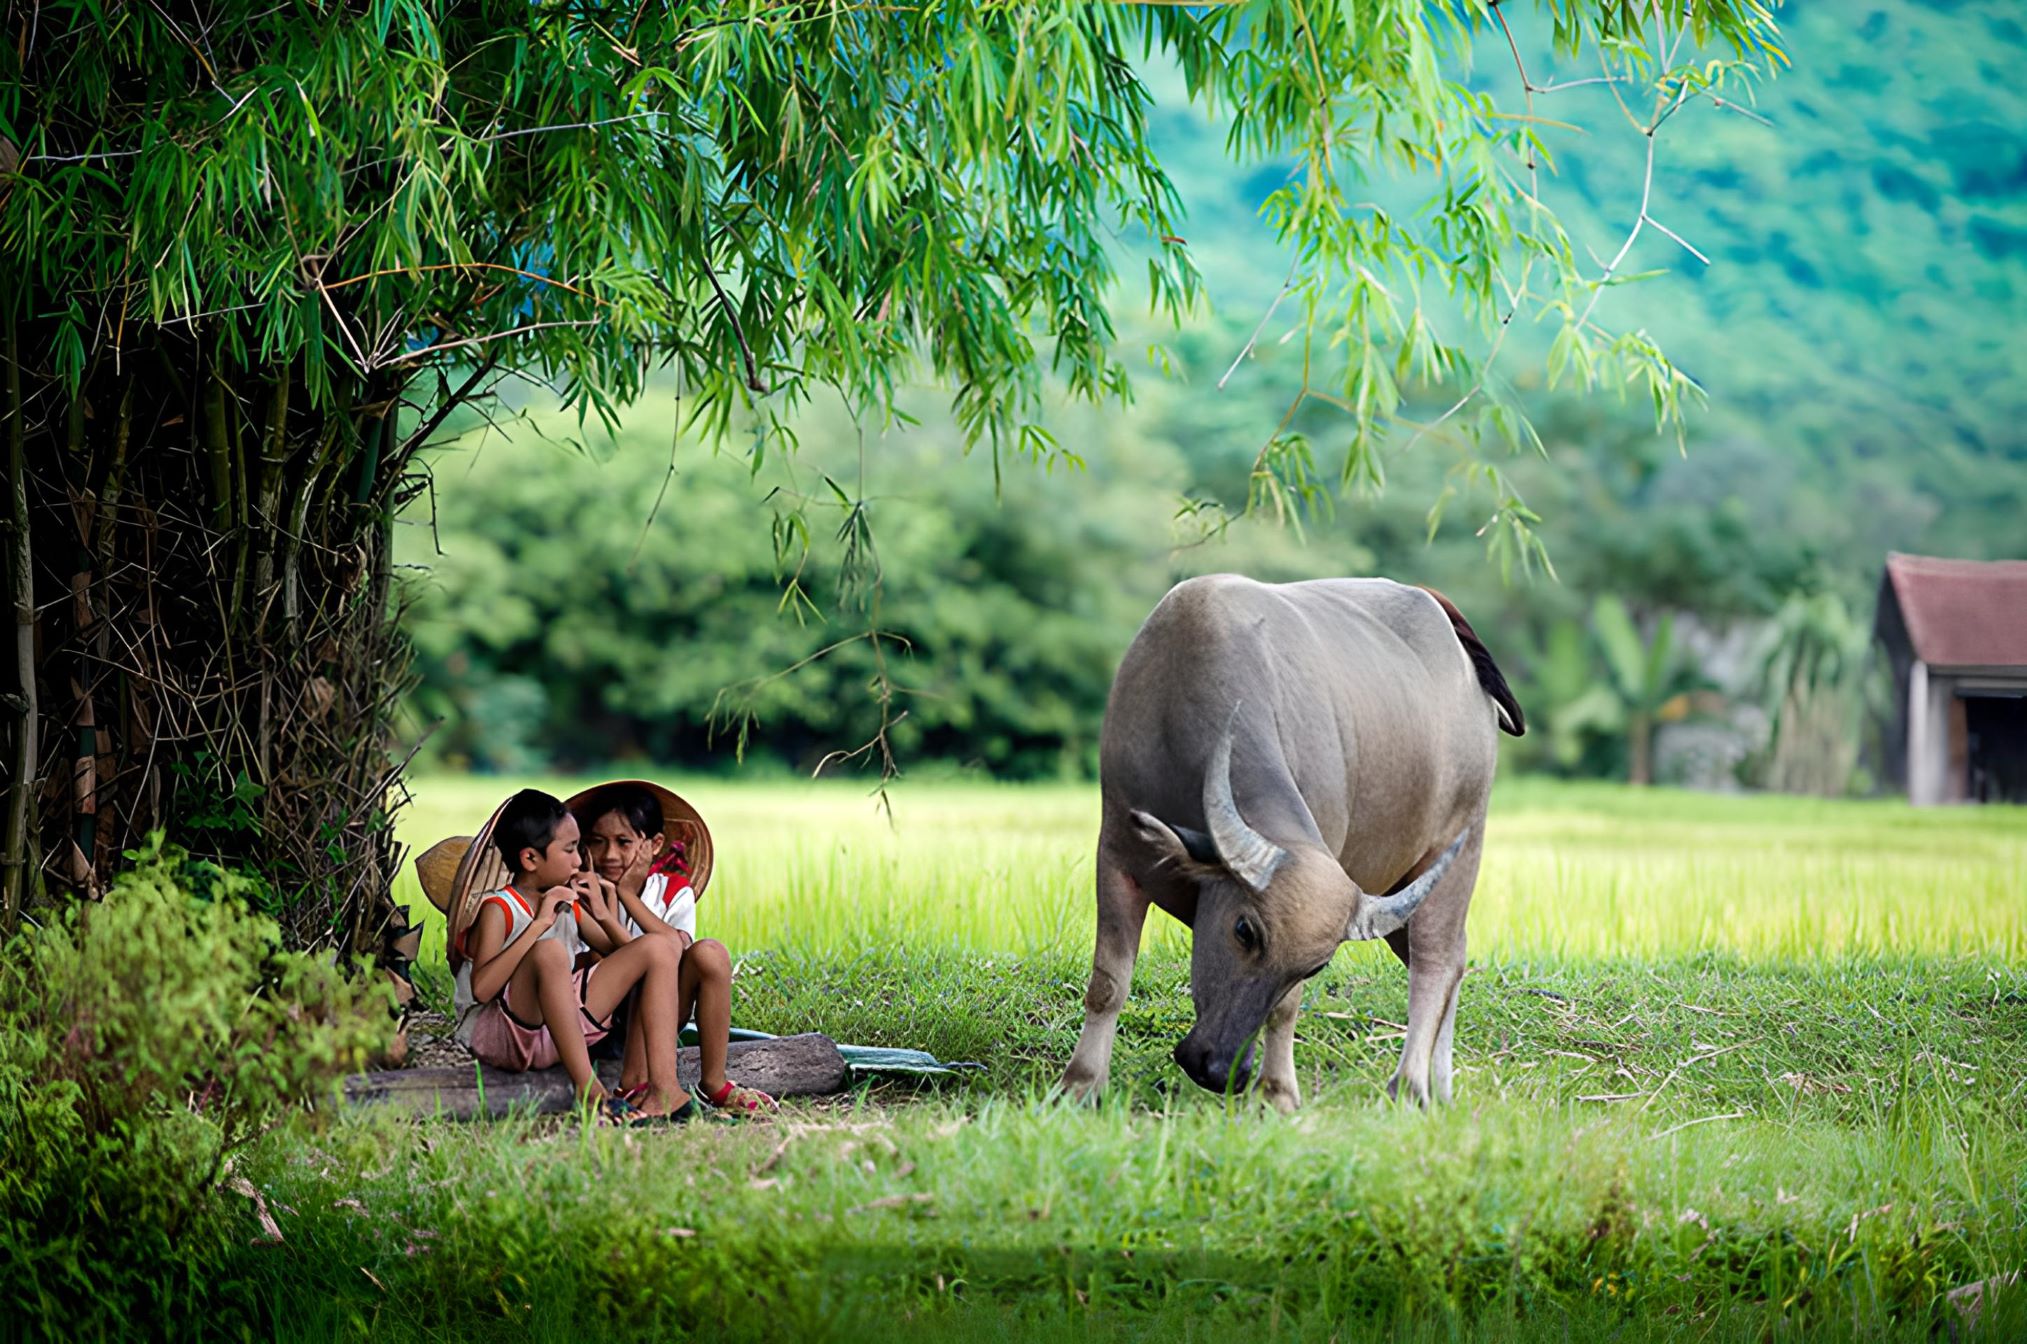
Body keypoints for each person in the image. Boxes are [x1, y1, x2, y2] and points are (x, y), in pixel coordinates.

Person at [451, 788, 697, 1123]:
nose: (580, 861)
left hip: (559, 1033)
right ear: (530, 859)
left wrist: (603, 910)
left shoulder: (567, 902)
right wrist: (538, 926)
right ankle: (589, 1090)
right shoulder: (499, 909)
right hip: (503, 1036)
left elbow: (630, 958)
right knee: (549, 952)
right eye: (569, 850)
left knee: (658, 947)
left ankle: (663, 1088)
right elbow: (482, 990)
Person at [576, 783, 776, 1114]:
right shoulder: (579, 890)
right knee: (648, 964)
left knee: (710, 952)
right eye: (598, 842)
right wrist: (606, 906)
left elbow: (674, 949)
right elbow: (601, 962)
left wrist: (625, 894)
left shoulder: (672, 891)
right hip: (598, 1019)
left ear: (654, 844)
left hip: (660, 1013)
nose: (609, 855)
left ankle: (714, 1082)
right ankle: (634, 1084)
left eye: (623, 842)